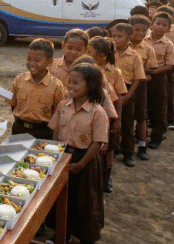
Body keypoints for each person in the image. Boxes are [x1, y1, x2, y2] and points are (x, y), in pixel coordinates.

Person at [48, 63, 109, 244]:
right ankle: (61, 232)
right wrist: (55, 153)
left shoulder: (98, 112)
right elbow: (55, 129)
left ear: (90, 86)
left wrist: (81, 163)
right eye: (70, 82)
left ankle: (86, 236)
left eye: (76, 83)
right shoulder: (63, 105)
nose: (71, 86)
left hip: (85, 161)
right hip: (63, 156)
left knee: (85, 202)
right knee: (62, 198)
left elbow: (98, 142)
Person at [85, 36, 125, 192]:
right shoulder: (84, 68)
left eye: (89, 52)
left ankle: (106, 178)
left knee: (106, 149)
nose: (86, 54)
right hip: (87, 120)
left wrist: (117, 120)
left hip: (105, 118)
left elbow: (115, 98)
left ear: (102, 56)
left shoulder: (102, 75)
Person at [8, 38, 65, 138]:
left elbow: (58, 113)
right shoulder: (19, 79)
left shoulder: (56, 85)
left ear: (50, 62)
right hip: (19, 129)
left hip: (42, 132)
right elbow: (13, 104)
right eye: (28, 59)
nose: (31, 63)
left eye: (37, 60)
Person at [111, 23, 146, 167]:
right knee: (111, 121)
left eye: (120, 36)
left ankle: (128, 152)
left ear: (129, 38)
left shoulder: (134, 56)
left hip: (126, 90)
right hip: (110, 90)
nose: (115, 39)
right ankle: (113, 149)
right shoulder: (109, 52)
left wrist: (128, 96)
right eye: (113, 36)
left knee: (127, 123)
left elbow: (138, 78)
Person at [143, 12, 174, 148]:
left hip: (158, 77)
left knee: (158, 107)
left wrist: (153, 72)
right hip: (141, 75)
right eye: (158, 24)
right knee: (143, 106)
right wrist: (144, 73)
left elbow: (170, 65)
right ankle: (140, 134)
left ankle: (157, 136)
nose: (160, 27)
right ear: (151, 25)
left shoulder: (168, 44)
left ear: (169, 29)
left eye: (164, 25)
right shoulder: (143, 40)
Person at [128, 15, 158, 160]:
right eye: (136, 30)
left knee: (141, 116)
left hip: (140, 85)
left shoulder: (148, 48)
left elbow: (151, 69)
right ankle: (124, 146)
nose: (140, 33)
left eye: (144, 31)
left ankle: (142, 145)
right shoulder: (121, 45)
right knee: (123, 117)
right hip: (122, 85)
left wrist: (140, 72)